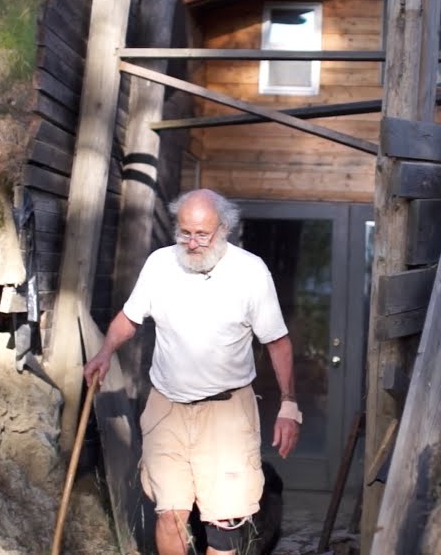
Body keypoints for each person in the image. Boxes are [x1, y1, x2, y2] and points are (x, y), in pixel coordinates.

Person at [83, 188, 301, 555]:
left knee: (224, 525)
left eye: (202, 234)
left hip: (226, 414)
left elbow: (278, 342)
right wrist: (105, 352)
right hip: (167, 408)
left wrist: (289, 405)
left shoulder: (250, 272)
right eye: (185, 232)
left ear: (224, 229)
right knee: (169, 514)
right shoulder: (159, 264)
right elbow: (129, 317)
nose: (192, 242)